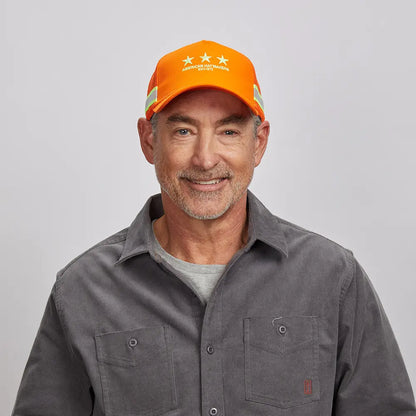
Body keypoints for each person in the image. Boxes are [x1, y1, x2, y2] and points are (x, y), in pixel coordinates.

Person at [12, 40, 415, 416]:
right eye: (183, 130)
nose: (205, 158)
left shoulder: (332, 279)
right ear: (149, 141)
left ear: (258, 143)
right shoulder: (83, 291)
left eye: (228, 131)